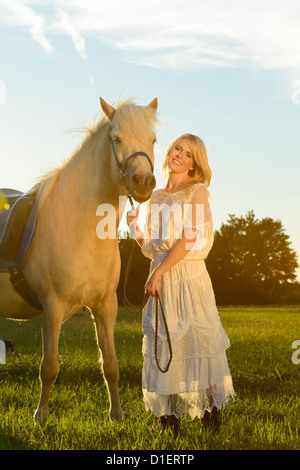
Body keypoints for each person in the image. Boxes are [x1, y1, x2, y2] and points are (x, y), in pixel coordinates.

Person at [127, 133, 234, 436]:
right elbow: (152, 245)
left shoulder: (196, 191)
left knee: (199, 344)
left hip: (188, 278)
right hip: (161, 276)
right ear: (169, 151)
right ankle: (168, 418)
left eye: (188, 155)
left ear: (194, 164)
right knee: (164, 344)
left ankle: (209, 415)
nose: (179, 156)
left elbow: (189, 237)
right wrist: (134, 226)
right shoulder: (157, 196)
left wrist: (157, 273)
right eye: (177, 148)